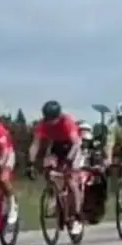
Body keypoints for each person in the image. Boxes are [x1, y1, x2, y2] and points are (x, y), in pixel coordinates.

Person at [27, 100, 84, 237]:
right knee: (48, 167)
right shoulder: (43, 124)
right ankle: (54, 194)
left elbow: (76, 144)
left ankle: (77, 216)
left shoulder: (67, 122)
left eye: (53, 119)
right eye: (48, 119)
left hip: (72, 147)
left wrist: (69, 160)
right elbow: (35, 144)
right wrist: (31, 163)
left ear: (58, 116)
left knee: (71, 180)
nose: (50, 122)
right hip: (57, 146)